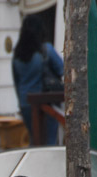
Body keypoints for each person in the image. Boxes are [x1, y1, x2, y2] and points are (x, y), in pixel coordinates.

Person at [12, 14, 64, 146]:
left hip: (25, 103)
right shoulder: (46, 50)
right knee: (49, 141)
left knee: (35, 140)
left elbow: (17, 82)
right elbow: (62, 69)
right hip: (47, 102)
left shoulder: (17, 55)